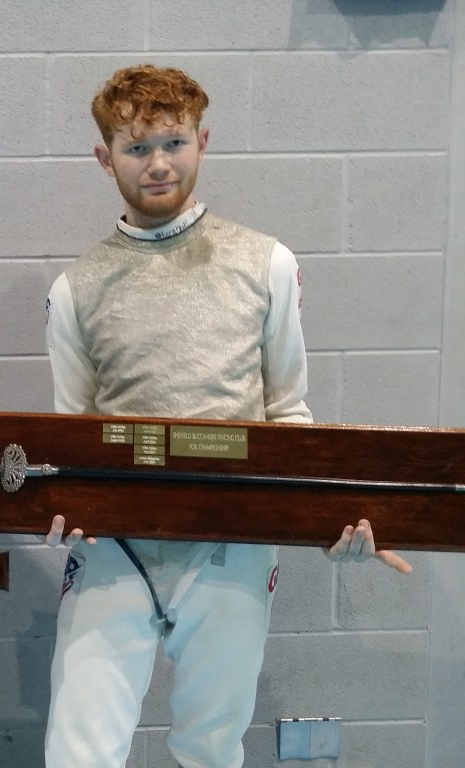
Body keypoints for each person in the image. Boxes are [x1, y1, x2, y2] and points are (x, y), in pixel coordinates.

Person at [41, 65, 411, 768]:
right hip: (115, 551)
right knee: (77, 755)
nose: (158, 163)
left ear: (202, 143)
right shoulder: (75, 289)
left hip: (231, 545)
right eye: (137, 147)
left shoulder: (266, 263)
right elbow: (73, 437)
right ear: (105, 157)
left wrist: (328, 518)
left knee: (209, 749)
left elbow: (289, 416)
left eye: (173, 142)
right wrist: (63, 509)